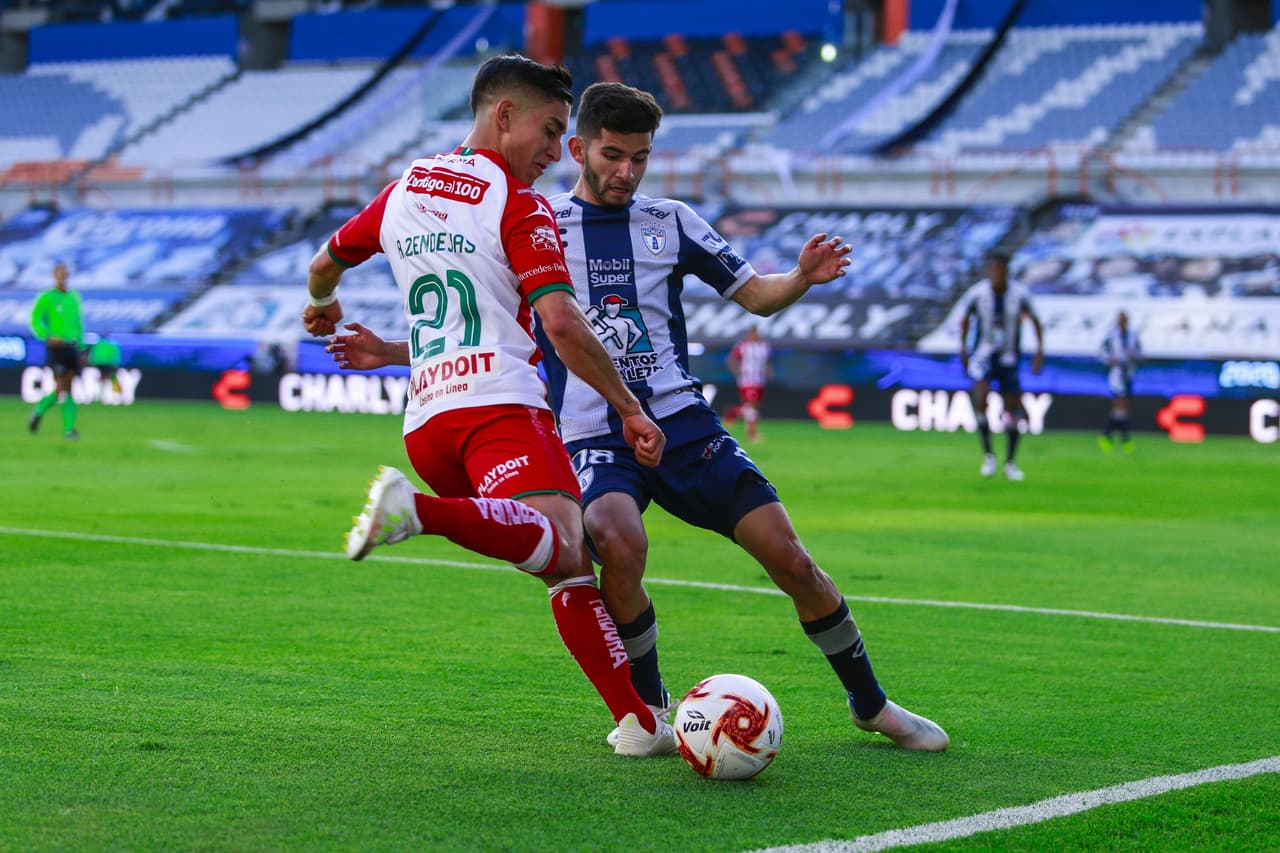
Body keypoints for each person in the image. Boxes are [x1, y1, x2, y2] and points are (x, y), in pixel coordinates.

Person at [539, 81, 948, 751]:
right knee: (617, 538)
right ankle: (647, 708)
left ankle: (870, 703)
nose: (626, 172)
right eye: (612, 155)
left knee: (792, 560)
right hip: (594, 432)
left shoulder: (669, 221)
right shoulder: (543, 228)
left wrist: (802, 277)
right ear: (579, 148)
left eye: (639, 157)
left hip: (684, 424)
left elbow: (756, 295)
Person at [301, 54, 675, 757]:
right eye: (549, 129)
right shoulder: (517, 202)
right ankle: (414, 510)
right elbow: (560, 324)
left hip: (430, 421)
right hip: (499, 411)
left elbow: (325, 264)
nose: (550, 151)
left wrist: (324, 309)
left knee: (564, 564)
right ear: (504, 115)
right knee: (566, 543)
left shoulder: (404, 188)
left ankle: (637, 720)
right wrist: (628, 406)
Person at [957, 250, 1044, 480]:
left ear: (1007, 271)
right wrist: (963, 350)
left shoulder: (1020, 294)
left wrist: (1039, 351)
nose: (996, 274)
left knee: (1012, 409)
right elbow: (964, 320)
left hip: (1008, 358)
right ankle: (989, 456)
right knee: (980, 398)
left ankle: (1010, 463)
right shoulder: (977, 293)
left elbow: (1036, 321)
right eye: (992, 269)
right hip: (983, 355)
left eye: (1000, 269)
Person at [28, 261, 84, 439]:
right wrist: (47, 335)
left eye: (65, 273)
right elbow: (36, 320)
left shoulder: (74, 297)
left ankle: (68, 429)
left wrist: (81, 346)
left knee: (68, 387)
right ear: (54, 275)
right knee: (60, 386)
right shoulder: (47, 298)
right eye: (59, 273)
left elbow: (78, 324)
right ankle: (40, 411)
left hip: (72, 347)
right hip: (57, 348)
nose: (62, 276)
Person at [1098, 310, 1141, 453]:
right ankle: (1123, 439)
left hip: (1129, 373)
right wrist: (1109, 360)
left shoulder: (1133, 335)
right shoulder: (1111, 336)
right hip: (1116, 374)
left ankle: (1109, 436)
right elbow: (1101, 352)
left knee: (1122, 408)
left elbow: (1140, 353)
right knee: (1120, 404)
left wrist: (1134, 356)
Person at [724, 324, 772, 442]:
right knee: (752, 405)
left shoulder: (765, 346)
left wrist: (768, 370)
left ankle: (733, 412)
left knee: (754, 406)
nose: (754, 335)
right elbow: (730, 359)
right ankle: (752, 433)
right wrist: (737, 371)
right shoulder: (743, 346)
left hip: (759, 381)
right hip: (747, 381)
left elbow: (767, 361)